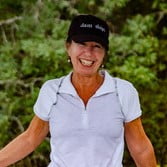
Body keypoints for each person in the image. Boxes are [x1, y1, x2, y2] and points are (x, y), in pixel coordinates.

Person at [0, 14, 157, 167]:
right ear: (68, 47)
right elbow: (30, 139)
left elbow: (141, 148)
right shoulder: (52, 90)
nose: (88, 53)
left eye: (97, 46)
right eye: (81, 43)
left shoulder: (123, 91)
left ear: (104, 54)